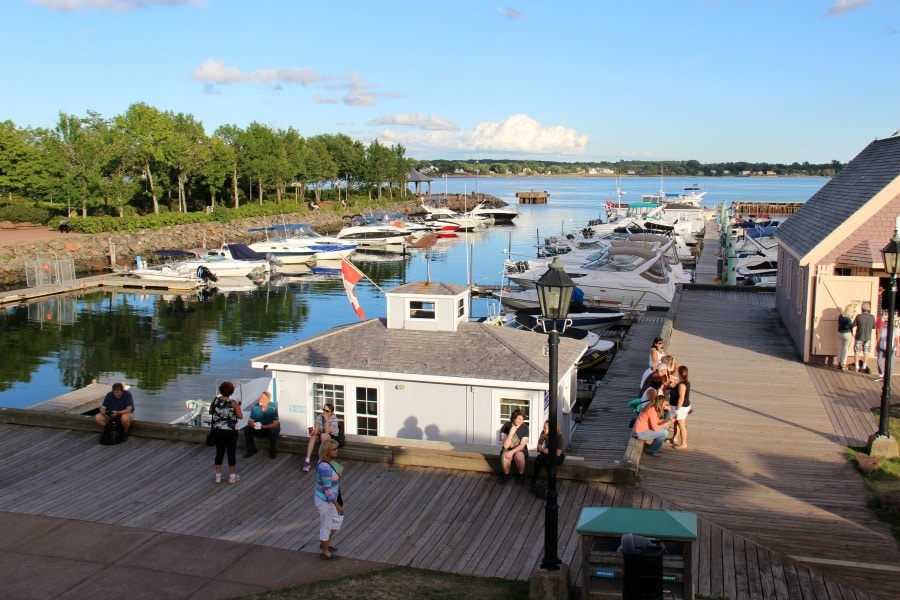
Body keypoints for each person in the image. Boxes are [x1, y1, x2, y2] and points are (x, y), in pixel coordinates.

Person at [314, 438, 344, 561]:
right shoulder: (325, 467)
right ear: (327, 451)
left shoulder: (326, 462)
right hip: (326, 500)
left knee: (337, 520)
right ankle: (325, 552)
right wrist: (338, 506)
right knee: (326, 525)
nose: (336, 451)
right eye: (334, 449)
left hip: (330, 497)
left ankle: (326, 543)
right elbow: (328, 490)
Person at [210, 381, 243, 484]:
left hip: (218, 430)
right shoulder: (233, 403)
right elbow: (240, 416)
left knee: (219, 451)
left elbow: (211, 411)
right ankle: (232, 477)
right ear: (231, 392)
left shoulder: (215, 400)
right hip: (230, 431)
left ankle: (218, 476)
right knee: (231, 452)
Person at [633, 390, 675, 457]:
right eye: (665, 405)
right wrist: (667, 422)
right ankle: (652, 451)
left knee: (665, 427)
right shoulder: (652, 411)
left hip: (644, 430)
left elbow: (657, 422)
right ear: (661, 404)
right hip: (640, 433)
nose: (665, 407)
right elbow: (655, 428)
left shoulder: (653, 408)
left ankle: (656, 447)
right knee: (664, 433)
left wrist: (667, 421)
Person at [303, 403, 340, 473]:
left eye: (327, 411)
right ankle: (307, 461)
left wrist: (326, 420)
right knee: (313, 437)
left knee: (324, 435)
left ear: (331, 412)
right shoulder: (319, 417)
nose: (324, 412)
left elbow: (328, 432)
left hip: (332, 438)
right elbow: (316, 431)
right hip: (321, 436)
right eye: (323, 410)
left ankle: (321, 459)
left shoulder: (334, 419)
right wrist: (312, 433)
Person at [243, 391, 280, 458]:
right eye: (260, 398)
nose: (260, 400)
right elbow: (250, 421)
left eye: (262, 398)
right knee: (247, 429)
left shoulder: (273, 407)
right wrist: (254, 425)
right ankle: (251, 450)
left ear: (267, 400)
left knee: (273, 431)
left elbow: (275, 424)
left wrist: (263, 427)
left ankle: (272, 451)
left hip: (269, 428)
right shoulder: (255, 407)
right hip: (259, 427)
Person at [497, 408, 529, 485]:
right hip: (508, 449)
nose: (520, 421)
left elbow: (522, 445)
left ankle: (521, 475)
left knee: (519, 456)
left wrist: (512, 452)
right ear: (514, 418)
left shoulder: (525, 428)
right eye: (519, 419)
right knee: (505, 456)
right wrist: (511, 433)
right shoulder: (506, 426)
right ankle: (506, 474)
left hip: (520, 450)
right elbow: (505, 446)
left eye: (522, 419)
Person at [533, 420, 565, 487]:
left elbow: (558, 453)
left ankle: (551, 482)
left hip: (557, 455)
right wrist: (543, 449)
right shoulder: (544, 434)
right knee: (539, 459)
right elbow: (538, 447)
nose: (544, 429)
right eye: (543, 427)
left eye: (545, 428)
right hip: (547, 453)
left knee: (549, 462)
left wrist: (548, 451)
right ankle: (535, 479)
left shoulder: (559, 436)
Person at [670, 365, 692, 449]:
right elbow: (676, 379)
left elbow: (681, 398)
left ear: (679, 373)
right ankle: (674, 438)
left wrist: (677, 409)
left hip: (681, 408)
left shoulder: (682, 385)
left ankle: (684, 444)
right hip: (681, 406)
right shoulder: (683, 381)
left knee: (682, 426)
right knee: (676, 423)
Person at [874, 315, 900, 382]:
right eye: (885, 322)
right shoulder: (883, 328)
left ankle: (888, 377)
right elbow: (880, 337)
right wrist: (877, 345)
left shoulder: (895, 330)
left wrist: (898, 349)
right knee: (879, 360)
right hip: (882, 347)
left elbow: (897, 340)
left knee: (891, 363)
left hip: (891, 349)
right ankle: (881, 375)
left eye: (887, 322)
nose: (886, 323)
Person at [853, 302, 877, 373]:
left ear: (862, 309)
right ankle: (864, 366)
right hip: (868, 337)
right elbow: (874, 327)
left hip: (859, 336)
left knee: (857, 351)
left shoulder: (859, 316)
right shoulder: (872, 317)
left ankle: (857, 366)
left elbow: (854, 325)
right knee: (866, 352)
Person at [835, 304, 856, 369]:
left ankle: (838, 362)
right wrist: (853, 324)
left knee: (840, 347)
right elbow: (850, 326)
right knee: (845, 348)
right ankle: (843, 363)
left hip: (840, 332)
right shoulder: (848, 318)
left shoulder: (841, 316)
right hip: (847, 333)